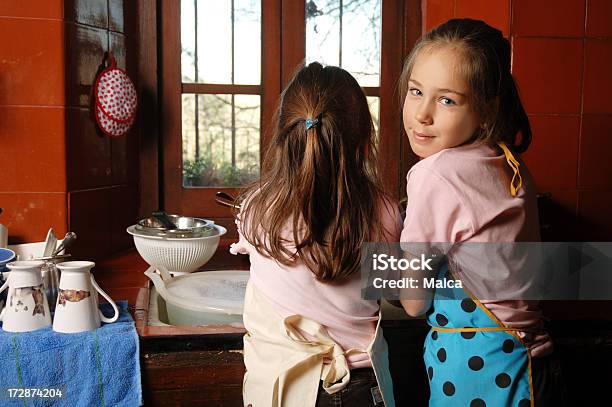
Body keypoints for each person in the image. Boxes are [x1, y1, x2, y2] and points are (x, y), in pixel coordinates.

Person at [398, 18, 564, 406]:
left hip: (480, 370)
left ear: (487, 108)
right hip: (533, 366)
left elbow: (412, 302)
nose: (422, 114)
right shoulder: (508, 162)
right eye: (416, 91)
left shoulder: (436, 174)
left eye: (446, 100)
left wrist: (378, 266)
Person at [230, 62, 402, 407]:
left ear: (283, 136)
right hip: (364, 389)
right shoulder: (384, 212)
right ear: (365, 140)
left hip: (286, 388)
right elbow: (396, 292)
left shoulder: (255, 210)